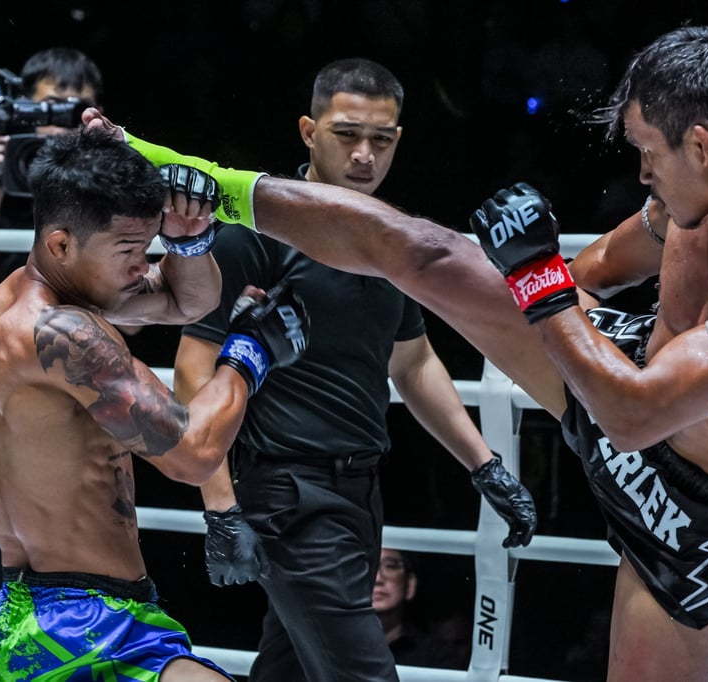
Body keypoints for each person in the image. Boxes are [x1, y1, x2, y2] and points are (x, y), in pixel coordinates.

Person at [85, 25, 708, 682]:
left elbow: (634, 414)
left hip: (690, 510)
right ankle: (180, 172)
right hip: (609, 379)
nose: (641, 175)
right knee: (422, 251)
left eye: (648, 154)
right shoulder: (689, 201)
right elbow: (583, 281)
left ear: (701, 143)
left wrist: (535, 277)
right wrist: (505, 273)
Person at [167, 58, 536, 682]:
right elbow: (192, 369)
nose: (365, 154)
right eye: (347, 136)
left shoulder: (387, 235)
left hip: (361, 494)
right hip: (288, 496)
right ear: (309, 132)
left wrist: (486, 465)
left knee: (286, 670)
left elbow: (413, 361)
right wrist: (220, 508)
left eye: (382, 140)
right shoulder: (255, 232)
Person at [0, 127, 310, 680]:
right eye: (129, 250)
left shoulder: (24, 295)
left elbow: (186, 299)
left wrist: (186, 242)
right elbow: (193, 453)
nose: (140, 266)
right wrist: (251, 353)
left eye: (147, 245)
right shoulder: (59, 332)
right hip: (83, 628)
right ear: (61, 243)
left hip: (43, 613)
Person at [0, 46, 104, 682]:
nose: (55, 131)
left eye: (69, 113)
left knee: (82, 606)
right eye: (42, 113)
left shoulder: (105, 199)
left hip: (79, 431)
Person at [374, 548, 468, 670]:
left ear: (410, 585)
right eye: (367, 565)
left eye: (390, 566)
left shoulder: (436, 655)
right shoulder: (341, 646)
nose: (377, 579)